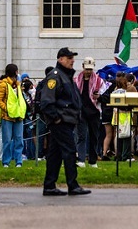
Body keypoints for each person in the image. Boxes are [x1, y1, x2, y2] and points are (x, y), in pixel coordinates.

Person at [40, 47, 91, 196]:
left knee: (55, 154)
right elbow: (47, 101)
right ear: (60, 59)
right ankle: (72, 185)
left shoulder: (65, 76)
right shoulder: (55, 76)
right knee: (69, 151)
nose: (72, 61)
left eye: (72, 58)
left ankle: (49, 185)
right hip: (61, 120)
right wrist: (56, 118)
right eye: (69, 58)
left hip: (67, 119)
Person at [73, 57, 105, 168]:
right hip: (81, 111)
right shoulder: (76, 80)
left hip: (94, 111)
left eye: (90, 69)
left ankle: (93, 160)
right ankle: (81, 159)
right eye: (87, 69)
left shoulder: (99, 81)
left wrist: (99, 97)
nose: (88, 71)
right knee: (81, 136)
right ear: (83, 67)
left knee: (94, 136)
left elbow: (104, 96)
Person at [0, 64, 26, 168]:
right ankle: (6, 161)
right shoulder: (4, 85)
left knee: (19, 139)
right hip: (7, 116)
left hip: (18, 115)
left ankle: (18, 161)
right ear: (16, 72)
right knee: (7, 140)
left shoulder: (18, 84)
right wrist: (7, 109)